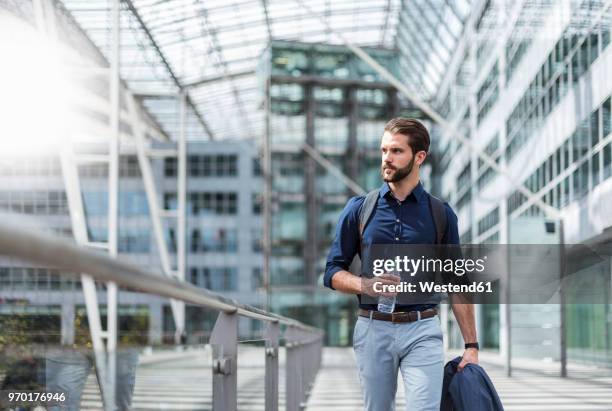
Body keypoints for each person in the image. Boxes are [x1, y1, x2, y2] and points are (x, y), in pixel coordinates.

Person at [324, 118, 478, 411]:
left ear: (419, 157)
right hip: (373, 330)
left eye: (396, 151)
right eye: (384, 151)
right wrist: (364, 284)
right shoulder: (359, 209)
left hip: (423, 329)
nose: (387, 159)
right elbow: (332, 272)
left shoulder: (440, 214)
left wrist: (471, 346)